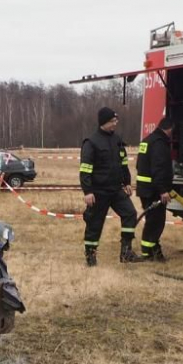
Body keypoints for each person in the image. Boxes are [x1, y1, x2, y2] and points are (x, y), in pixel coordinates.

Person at [80, 107, 142, 266]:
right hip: (98, 192)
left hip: (116, 190)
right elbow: (85, 169)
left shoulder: (117, 140)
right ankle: (91, 256)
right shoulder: (91, 142)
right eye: (112, 121)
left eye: (116, 121)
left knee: (130, 214)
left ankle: (126, 251)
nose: (115, 123)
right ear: (103, 122)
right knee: (95, 223)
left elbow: (123, 163)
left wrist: (127, 182)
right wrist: (88, 191)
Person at [135, 117, 174, 261]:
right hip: (154, 191)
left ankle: (153, 252)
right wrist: (163, 190)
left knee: (152, 221)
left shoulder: (148, 140)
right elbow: (159, 169)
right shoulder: (159, 144)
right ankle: (148, 253)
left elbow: (139, 165)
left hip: (145, 189)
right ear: (168, 129)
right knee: (156, 222)